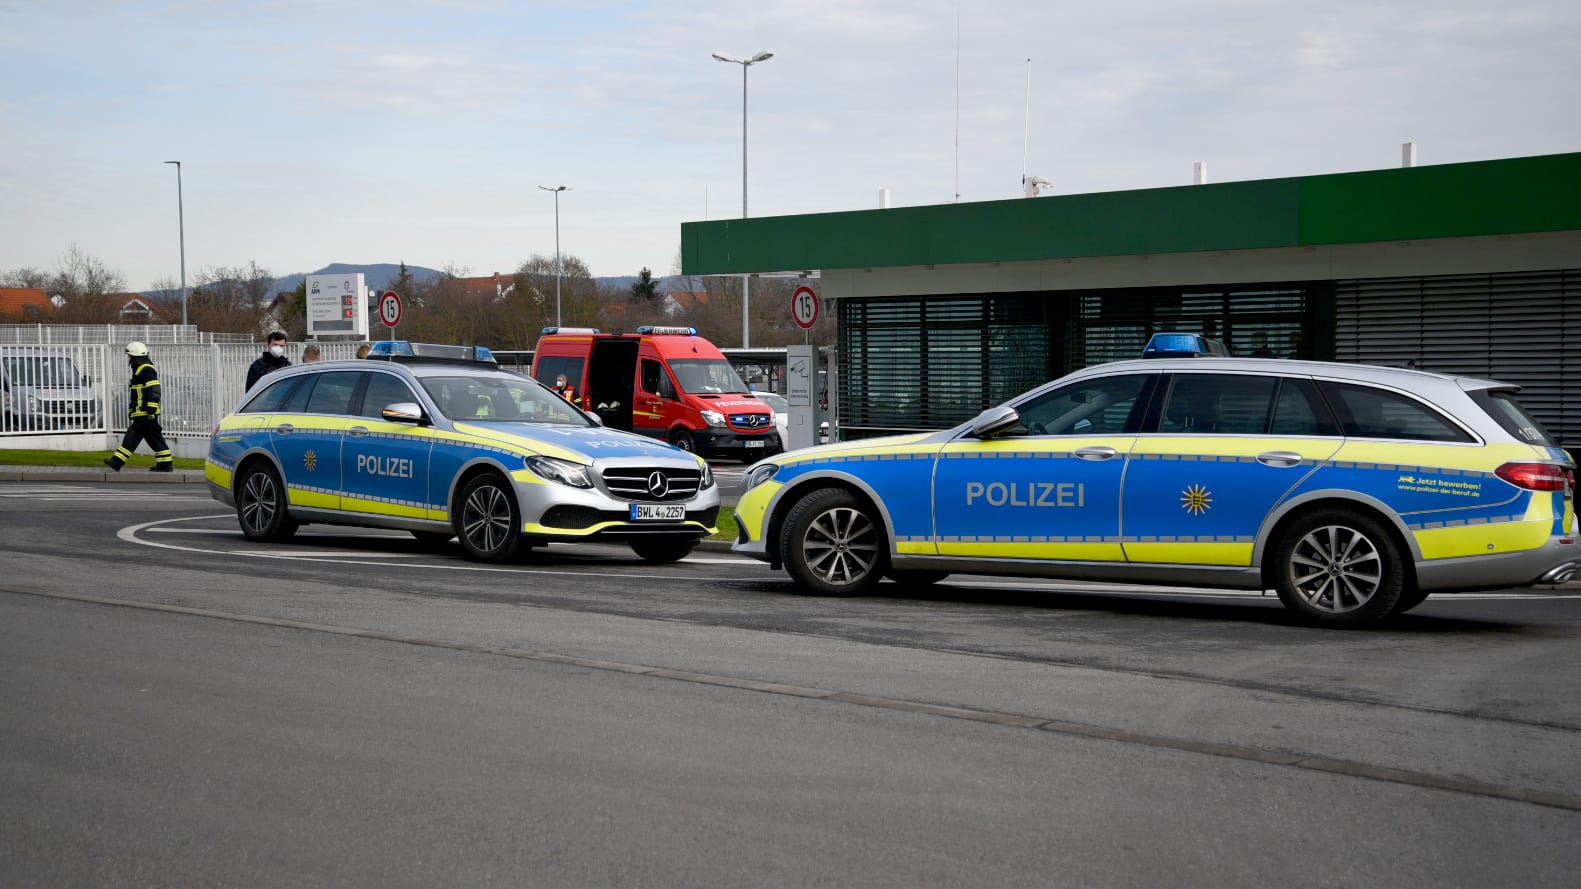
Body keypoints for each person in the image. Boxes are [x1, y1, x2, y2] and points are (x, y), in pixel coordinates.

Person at [104, 342, 173, 472]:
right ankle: (165, 464)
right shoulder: (141, 370)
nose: (129, 359)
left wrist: (150, 409)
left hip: (145, 413)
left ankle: (116, 462)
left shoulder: (146, 370)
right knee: (154, 439)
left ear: (136, 357)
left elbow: (154, 390)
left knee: (132, 436)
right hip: (145, 412)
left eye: (130, 356)